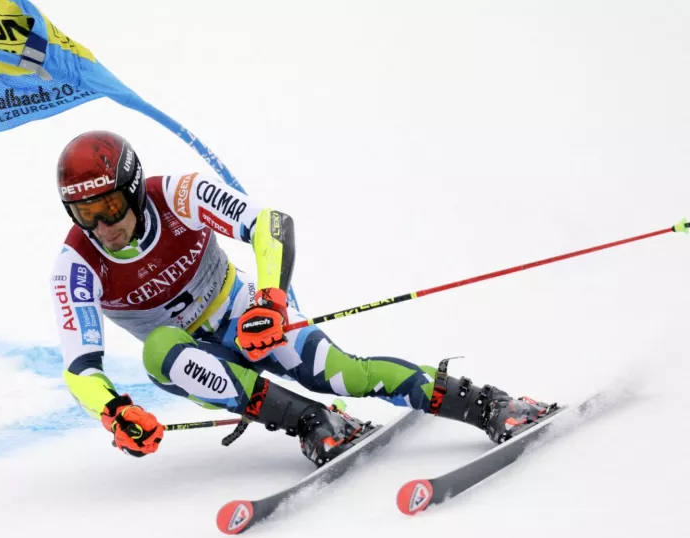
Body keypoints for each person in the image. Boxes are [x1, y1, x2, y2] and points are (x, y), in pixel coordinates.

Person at [49, 130, 551, 466]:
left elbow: (269, 225)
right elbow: (80, 368)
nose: (101, 225)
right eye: (83, 212)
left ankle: (491, 405)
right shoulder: (75, 265)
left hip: (246, 314)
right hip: (191, 356)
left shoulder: (177, 194)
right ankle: (314, 422)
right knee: (159, 349)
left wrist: (271, 300)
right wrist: (114, 413)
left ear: (133, 190)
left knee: (342, 373)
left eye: (110, 205)